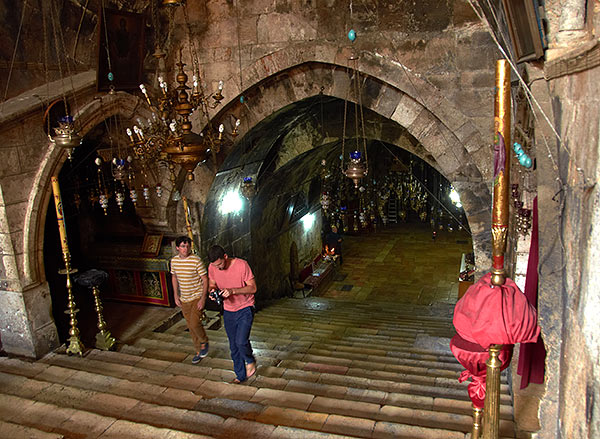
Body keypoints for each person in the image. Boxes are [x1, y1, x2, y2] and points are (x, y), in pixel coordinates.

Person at [207, 245, 257, 384]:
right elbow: (212, 284)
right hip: (228, 309)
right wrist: (212, 292)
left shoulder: (242, 265)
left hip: (245, 307)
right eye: (215, 266)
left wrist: (233, 291)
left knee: (241, 341)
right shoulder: (212, 267)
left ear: (225, 257)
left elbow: (253, 287)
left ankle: (250, 359)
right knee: (233, 345)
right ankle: (240, 375)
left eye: (220, 264)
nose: (218, 268)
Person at [170, 236, 209, 364]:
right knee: (190, 327)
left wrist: (203, 298)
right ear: (177, 248)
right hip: (184, 298)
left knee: (194, 323)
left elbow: (205, 279)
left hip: (196, 297)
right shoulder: (174, 261)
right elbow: (174, 278)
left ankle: (204, 341)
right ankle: (198, 351)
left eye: (187, 246)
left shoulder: (196, 260)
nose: (185, 249)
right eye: (182, 246)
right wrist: (176, 295)